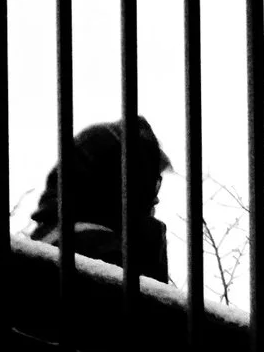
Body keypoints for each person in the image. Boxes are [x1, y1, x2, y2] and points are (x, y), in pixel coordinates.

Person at [29, 116, 170, 282]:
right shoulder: (97, 253)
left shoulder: (43, 248)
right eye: (150, 184)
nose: (155, 200)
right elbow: (142, 307)